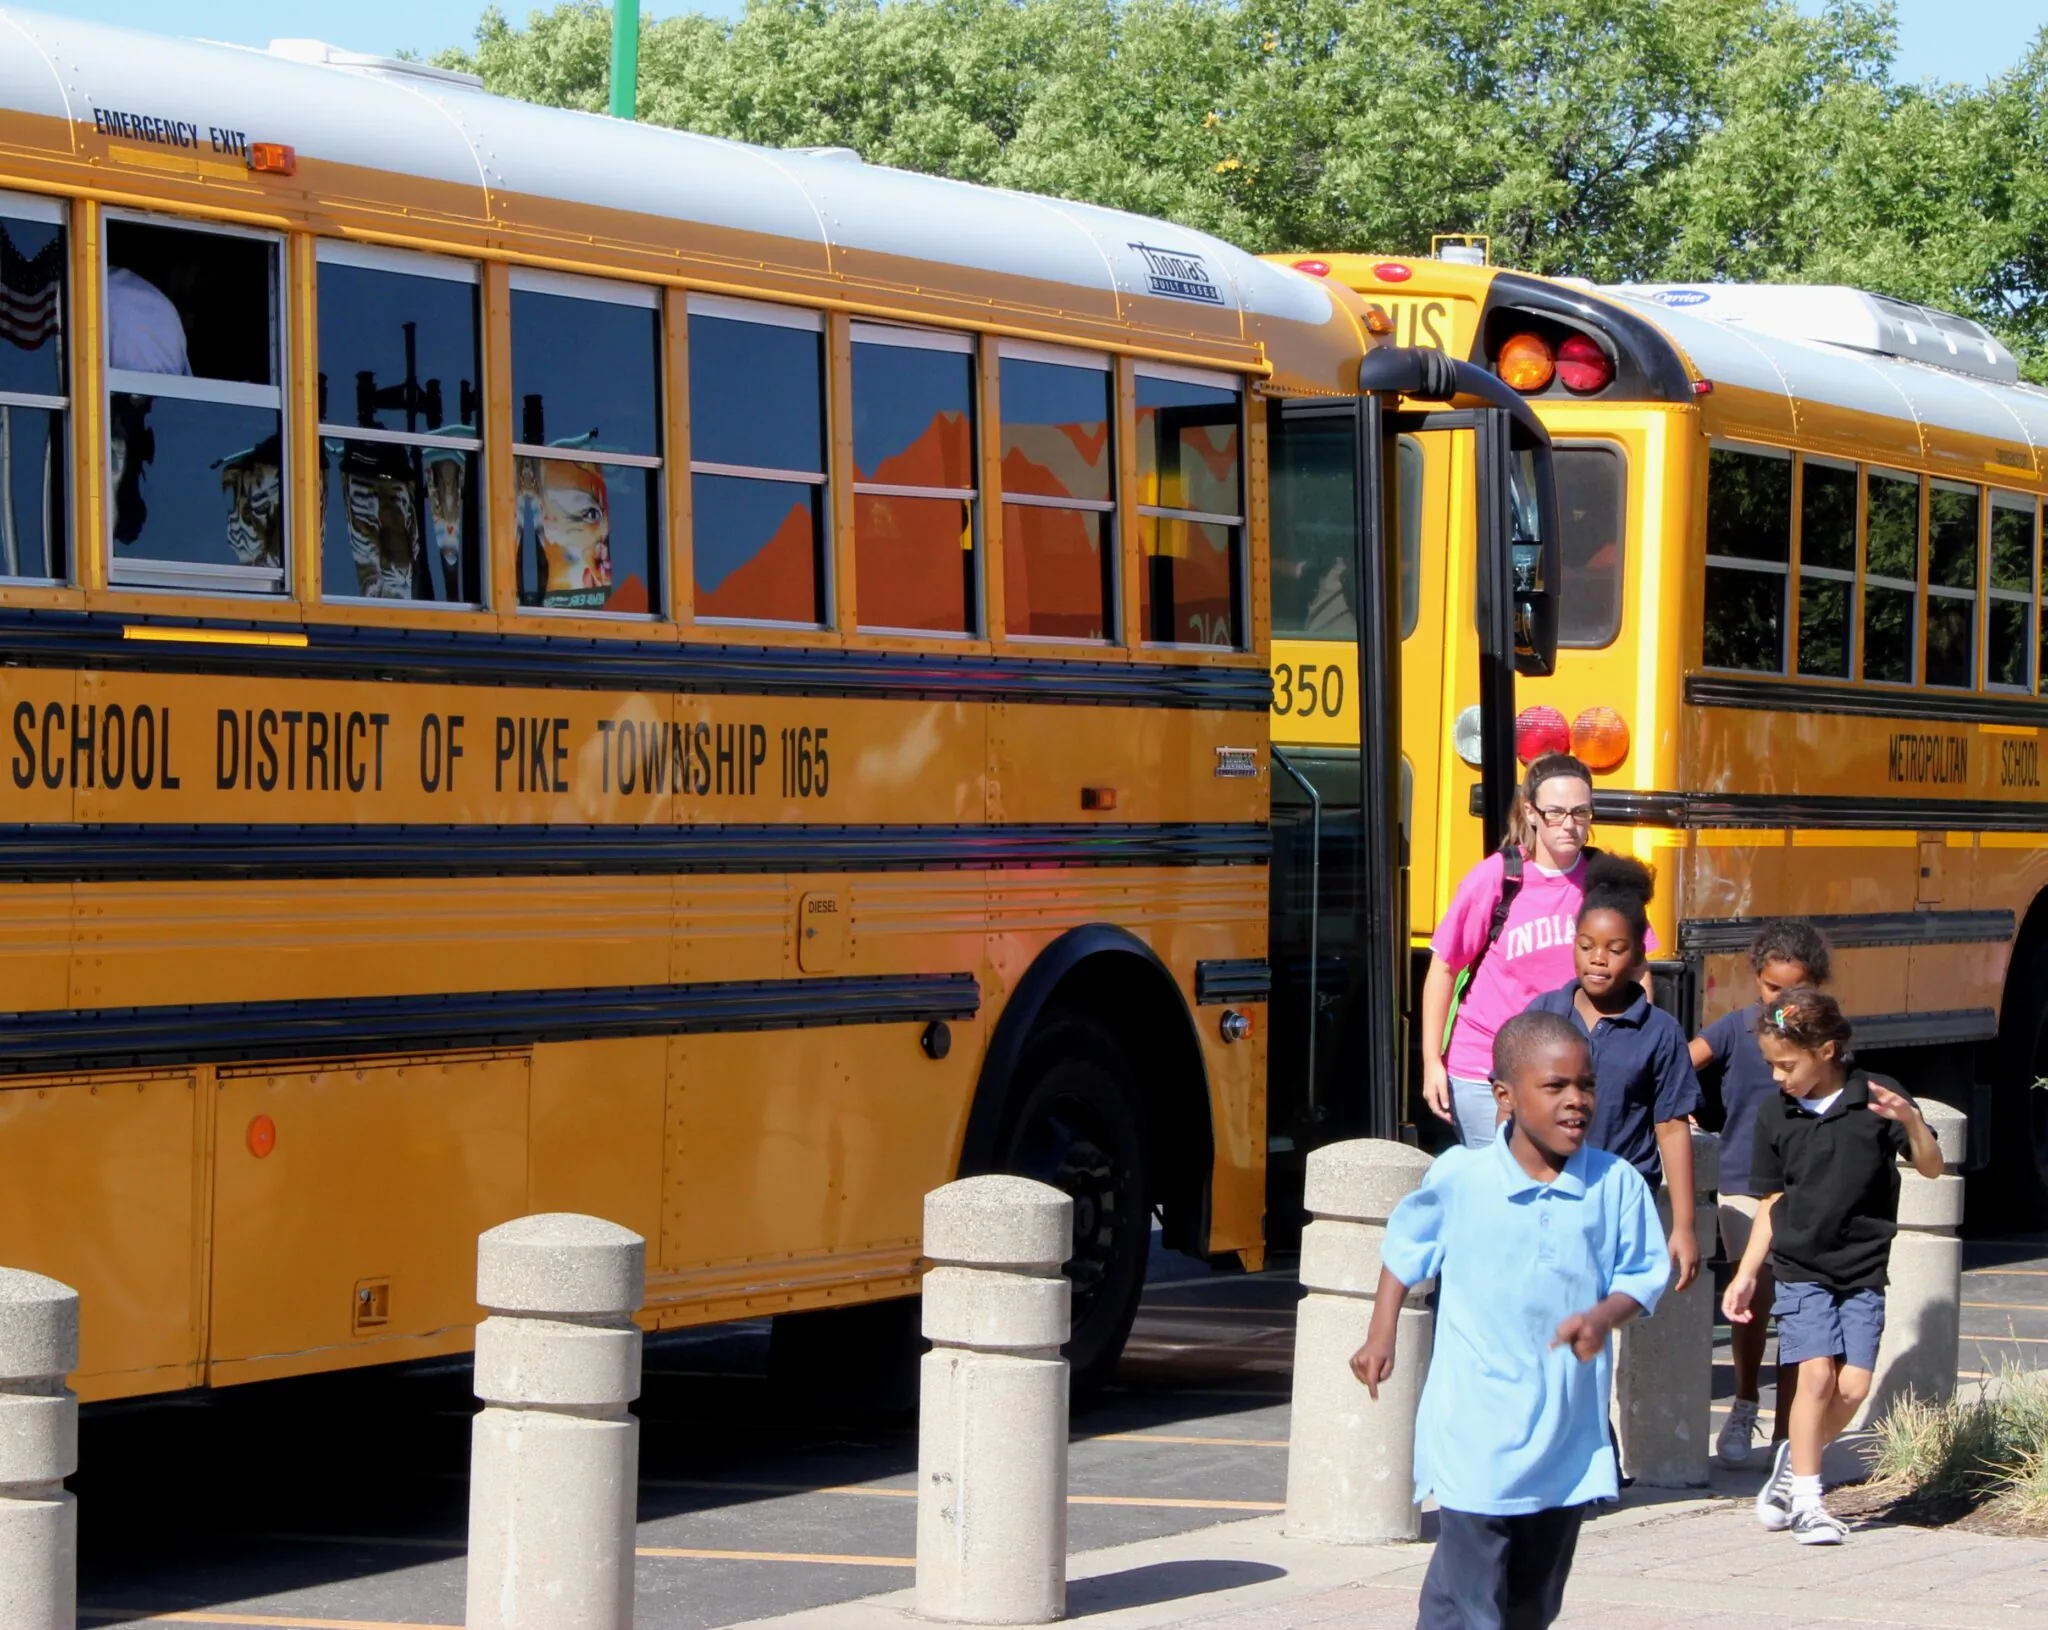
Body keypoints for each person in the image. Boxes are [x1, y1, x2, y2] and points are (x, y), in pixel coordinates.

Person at [1350, 1010, 1668, 1628]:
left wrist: (1603, 1315)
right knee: (1474, 1604)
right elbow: (1407, 1249)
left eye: (1587, 1085)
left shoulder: (1616, 1185)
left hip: (1566, 1437)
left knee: (1531, 1602)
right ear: (1504, 1095)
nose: (1577, 1102)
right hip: (1475, 1431)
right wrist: (1380, 1333)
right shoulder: (1461, 1177)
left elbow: (1643, 1274)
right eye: (1555, 1087)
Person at [1722, 989, 1943, 1545]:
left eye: (1787, 1064)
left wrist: (1911, 1121)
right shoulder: (1777, 1114)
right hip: (1801, 1266)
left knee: (1854, 1385)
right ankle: (1808, 1503)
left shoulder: (1875, 1099)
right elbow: (1773, 1202)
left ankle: (1795, 1464)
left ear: (1827, 1050)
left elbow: (1932, 1167)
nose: (1777, 1076)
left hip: (1864, 1266)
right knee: (1815, 1376)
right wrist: (1748, 1272)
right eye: (1771, 1064)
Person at [1692, 920, 1834, 1465]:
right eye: (1774, 988)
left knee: (1800, 1304)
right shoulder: (1735, 1029)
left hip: (1804, 1186)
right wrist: (1679, 1112)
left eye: (1797, 989)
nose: (1784, 1000)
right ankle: (1746, 1401)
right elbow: (1677, 1063)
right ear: (1757, 979)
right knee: (1751, 1298)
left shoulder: (1825, 1039)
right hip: (1742, 1183)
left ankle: (1788, 1427)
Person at [1528, 854, 1702, 1293]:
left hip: (1615, 1203)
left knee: (1590, 1326)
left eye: (1614, 949)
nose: (1598, 960)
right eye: (1585, 947)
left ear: (1640, 954)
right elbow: (1510, 1108)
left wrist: (1683, 1225)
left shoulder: (1660, 1032)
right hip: (1542, 1198)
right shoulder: (1544, 1013)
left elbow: (1671, 1126)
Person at [1423, 752, 1615, 1147]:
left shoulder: (1603, 880)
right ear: (1530, 812)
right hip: (1484, 1067)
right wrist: (1431, 1064)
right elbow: (1443, 968)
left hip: (1571, 1068)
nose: (1569, 825)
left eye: (1581, 812)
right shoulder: (1499, 876)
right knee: (1500, 1187)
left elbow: (1635, 970)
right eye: (1556, 813)